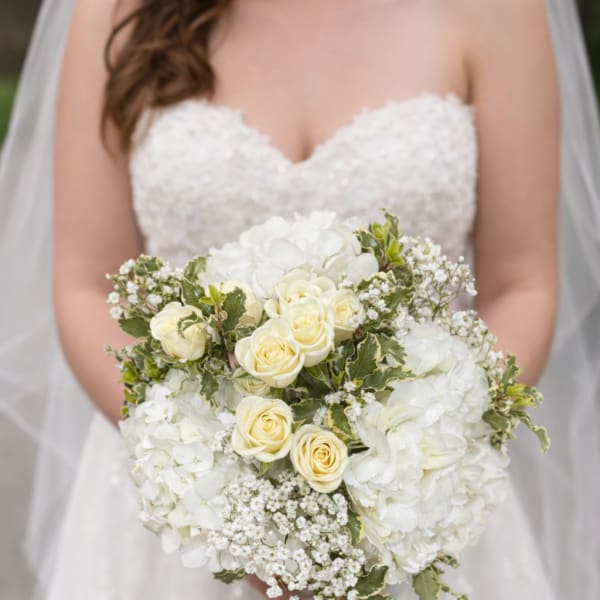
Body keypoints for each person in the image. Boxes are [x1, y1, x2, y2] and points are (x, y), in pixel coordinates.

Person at [0, 0, 598, 598]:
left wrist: (407, 473)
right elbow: (89, 287)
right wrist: (227, 492)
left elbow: (521, 285)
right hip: (174, 523)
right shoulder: (115, 10)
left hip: (413, 515)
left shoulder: (499, 12)